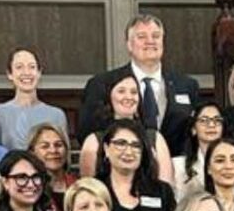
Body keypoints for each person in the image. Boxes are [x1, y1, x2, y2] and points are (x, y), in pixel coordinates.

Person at [78, 14, 200, 155]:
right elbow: (87, 134)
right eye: (142, 37)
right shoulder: (102, 84)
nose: (150, 41)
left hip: (178, 169)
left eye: (156, 36)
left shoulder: (187, 85)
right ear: (129, 45)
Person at [78, 73, 175, 184]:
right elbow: (89, 187)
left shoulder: (155, 138)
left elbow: (166, 186)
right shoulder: (94, 141)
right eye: (121, 91)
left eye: (134, 92)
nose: (129, 97)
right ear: (109, 96)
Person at [96, 119, 176, 211]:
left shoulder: (161, 191)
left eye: (136, 145)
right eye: (121, 144)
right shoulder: (94, 190)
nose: (129, 152)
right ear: (106, 149)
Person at [0, 47, 68, 149]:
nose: (26, 72)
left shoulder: (57, 115)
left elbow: (62, 154)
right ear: (10, 74)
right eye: (19, 67)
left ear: (39, 72)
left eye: (32, 67)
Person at [171, 102, 225, 200]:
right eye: (204, 120)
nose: (212, 125)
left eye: (217, 120)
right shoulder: (178, 166)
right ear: (194, 129)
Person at [28, 121, 77, 211]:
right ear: (32, 152)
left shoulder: (79, 185)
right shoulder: (28, 189)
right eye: (45, 146)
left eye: (58, 145)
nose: (53, 150)